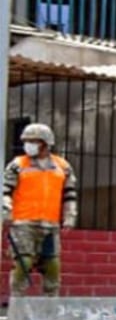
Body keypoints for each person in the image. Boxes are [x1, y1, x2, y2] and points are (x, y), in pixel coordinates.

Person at [3, 123, 78, 300]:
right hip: (23, 224)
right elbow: (6, 191)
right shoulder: (17, 165)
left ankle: (50, 302)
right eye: (27, 141)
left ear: (45, 143)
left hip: (50, 225)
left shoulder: (62, 166)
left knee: (52, 264)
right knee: (24, 262)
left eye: (33, 141)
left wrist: (70, 216)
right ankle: (17, 299)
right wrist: (6, 212)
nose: (28, 145)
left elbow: (70, 194)